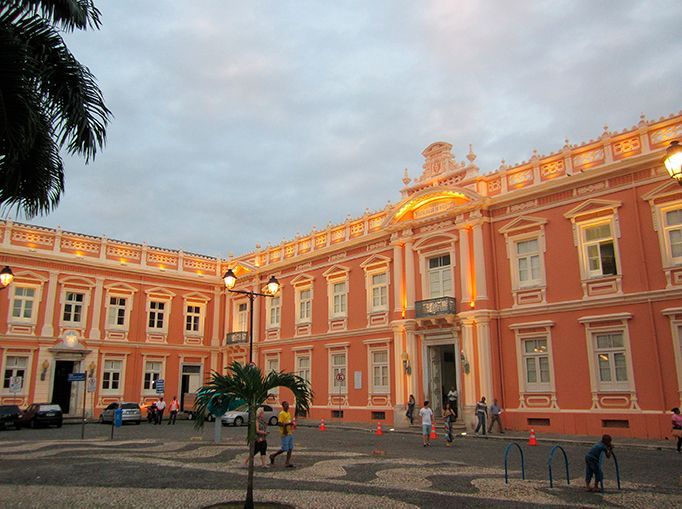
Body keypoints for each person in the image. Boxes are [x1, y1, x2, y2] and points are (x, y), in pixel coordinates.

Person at [269, 401, 295, 467]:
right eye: (286, 405)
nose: (287, 406)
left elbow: (288, 421)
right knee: (284, 449)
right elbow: (280, 423)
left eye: (288, 405)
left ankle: (287, 462)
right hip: (284, 433)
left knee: (290, 448)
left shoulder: (288, 413)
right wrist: (288, 424)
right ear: (283, 406)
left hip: (289, 433)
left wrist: (291, 424)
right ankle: (273, 455)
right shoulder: (281, 413)